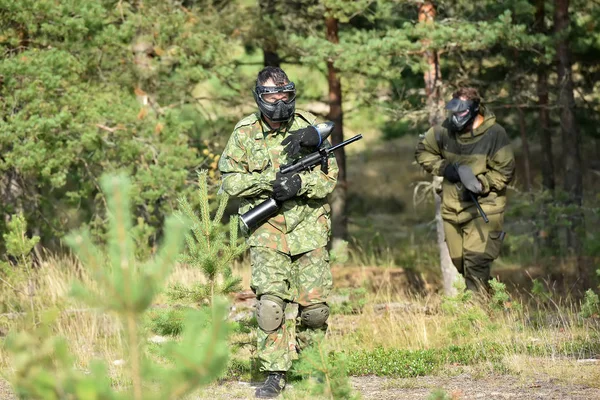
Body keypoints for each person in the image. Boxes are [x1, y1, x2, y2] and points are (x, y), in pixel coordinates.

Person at [218, 66, 338, 399]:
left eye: (285, 93)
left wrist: (301, 183)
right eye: (273, 94)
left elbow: (330, 179)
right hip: (267, 230)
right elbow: (229, 180)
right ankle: (275, 373)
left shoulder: (310, 128)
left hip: (309, 229)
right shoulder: (244, 132)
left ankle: (311, 366)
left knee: (315, 310)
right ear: (261, 96)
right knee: (271, 306)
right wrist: (270, 183)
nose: (280, 100)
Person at [415, 87, 515, 292]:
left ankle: (473, 320)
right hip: (452, 209)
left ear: (475, 109)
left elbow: (505, 171)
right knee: (462, 264)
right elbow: (423, 151)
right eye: (454, 112)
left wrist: (481, 184)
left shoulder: (495, 134)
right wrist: (445, 168)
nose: (456, 117)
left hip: (484, 209)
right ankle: (492, 305)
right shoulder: (445, 130)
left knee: (476, 265)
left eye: (461, 112)